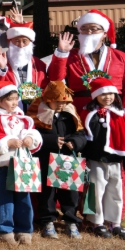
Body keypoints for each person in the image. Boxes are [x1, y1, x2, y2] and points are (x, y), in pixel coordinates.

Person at [0, 80, 42, 246]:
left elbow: (31, 130)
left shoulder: (20, 116)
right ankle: (5, 230)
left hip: (21, 164)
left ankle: (24, 230)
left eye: (15, 99)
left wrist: (30, 138)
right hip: (1, 165)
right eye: (9, 99)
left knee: (23, 198)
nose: (14, 103)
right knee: (3, 199)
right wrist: (7, 142)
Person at [27, 81, 86, 239]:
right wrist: (51, 141)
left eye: (64, 102)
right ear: (48, 100)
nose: (61, 105)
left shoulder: (70, 113)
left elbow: (81, 134)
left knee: (70, 191)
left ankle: (71, 220)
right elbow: (31, 135)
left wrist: (74, 142)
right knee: (47, 193)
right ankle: (47, 221)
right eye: (57, 101)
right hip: (46, 158)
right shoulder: (37, 112)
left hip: (67, 160)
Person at [48, 9, 125, 113]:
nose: (88, 32)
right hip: (81, 109)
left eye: (94, 29)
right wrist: (62, 52)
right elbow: (55, 79)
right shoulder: (70, 55)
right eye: (84, 28)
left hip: (114, 109)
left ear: (104, 34)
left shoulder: (120, 56)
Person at [80, 77, 125, 239]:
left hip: (115, 159)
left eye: (111, 94)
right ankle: (96, 222)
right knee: (95, 191)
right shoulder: (88, 113)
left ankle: (114, 222)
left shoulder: (120, 113)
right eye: (103, 94)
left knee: (116, 191)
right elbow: (84, 136)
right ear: (96, 96)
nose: (108, 97)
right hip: (96, 159)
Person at [0, 22, 48, 111]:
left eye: (24, 41)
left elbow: (45, 88)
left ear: (30, 42)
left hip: (34, 112)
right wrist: (1, 69)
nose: (21, 45)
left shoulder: (39, 64)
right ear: (10, 41)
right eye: (17, 41)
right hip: (7, 113)